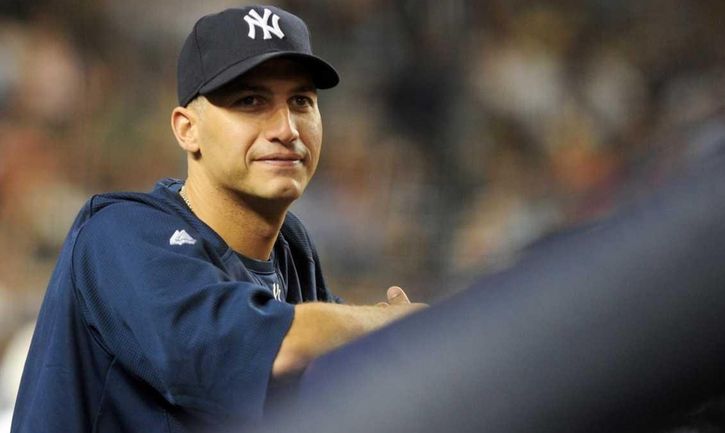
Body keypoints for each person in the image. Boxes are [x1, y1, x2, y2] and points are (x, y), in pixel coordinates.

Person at [11, 6, 424, 433]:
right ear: (187, 129)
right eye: (250, 101)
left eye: (301, 101)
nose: (286, 128)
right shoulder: (121, 235)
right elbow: (266, 349)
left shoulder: (291, 248)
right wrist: (390, 323)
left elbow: (338, 372)